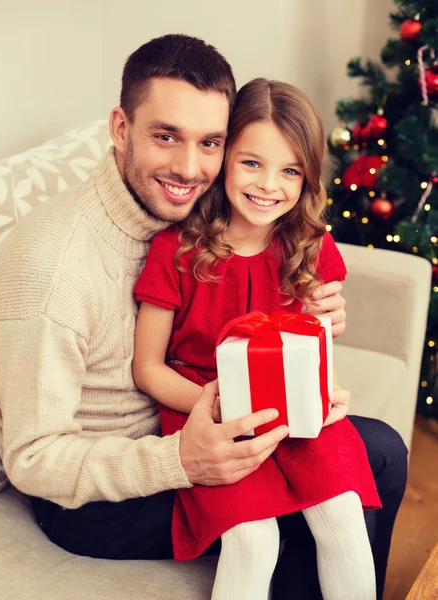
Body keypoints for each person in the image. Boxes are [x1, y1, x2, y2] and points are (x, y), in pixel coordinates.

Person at [0, 34, 407, 600]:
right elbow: (34, 460)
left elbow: (252, 284)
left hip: (204, 418)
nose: (189, 167)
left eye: (210, 142)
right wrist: (182, 460)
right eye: (165, 136)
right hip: (107, 492)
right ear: (120, 128)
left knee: (381, 452)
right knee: (306, 520)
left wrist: (313, 324)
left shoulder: (184, 209)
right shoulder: (49, 268)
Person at [132, 78, 380, 600]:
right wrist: (219, 405)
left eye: (290, 170)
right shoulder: (175, 251)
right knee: (252, 541)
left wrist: (326, 383)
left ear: (308, 176)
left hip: (294, 406)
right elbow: (148, 368)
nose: (269, 185)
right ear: (223, 160)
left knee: (343, 517)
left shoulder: (309, 244)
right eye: (251, 163)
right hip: (210, 408)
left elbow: (318, 336)